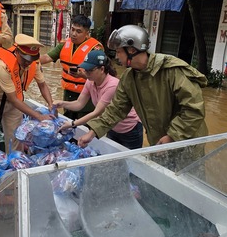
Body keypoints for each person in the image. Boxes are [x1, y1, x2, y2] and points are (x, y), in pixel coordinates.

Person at [77, 25, 209, 150]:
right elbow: (116, 109)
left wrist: (172, 136)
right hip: (159, 141)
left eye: (118, 52)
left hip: (187, 141)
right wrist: (93, 131)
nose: (116, 57)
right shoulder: (129, 78)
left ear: (132, 50)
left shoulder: (172, 71)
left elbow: (193, 109)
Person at [0, 34, 55, 152]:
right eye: (25, 59)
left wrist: (51, 104)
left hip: (14, 102)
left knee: (16, 136)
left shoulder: (33, 63)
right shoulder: (1, 65)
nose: (28, 63)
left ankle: (15, 163)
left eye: (31, 59)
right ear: (17, 52)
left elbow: (42, 85)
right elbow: (14, 99)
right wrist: (39, 116)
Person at [54, 50, 143, 149]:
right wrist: (62, 104)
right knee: (112, 160)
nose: (86, 73)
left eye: (90, 70)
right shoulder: (90, 81)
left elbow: (96, 113)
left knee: (131, 162)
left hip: (129, 128)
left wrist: (72, 124)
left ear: (102, 69)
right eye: (85, 69)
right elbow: (79, 103)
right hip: (111, 126)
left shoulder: (112, 85)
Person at [40, 14, 103, 121]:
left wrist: (82, 75)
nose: (73, 34)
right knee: (67, 124)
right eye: (72, 30)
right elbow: (46, 58)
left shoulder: (96, 49)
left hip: (88, 97)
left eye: (78, 31)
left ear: (87, 33)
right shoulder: (64, 45)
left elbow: (101, 77)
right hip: (68, 94)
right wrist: (31, 59)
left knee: (84, 128)